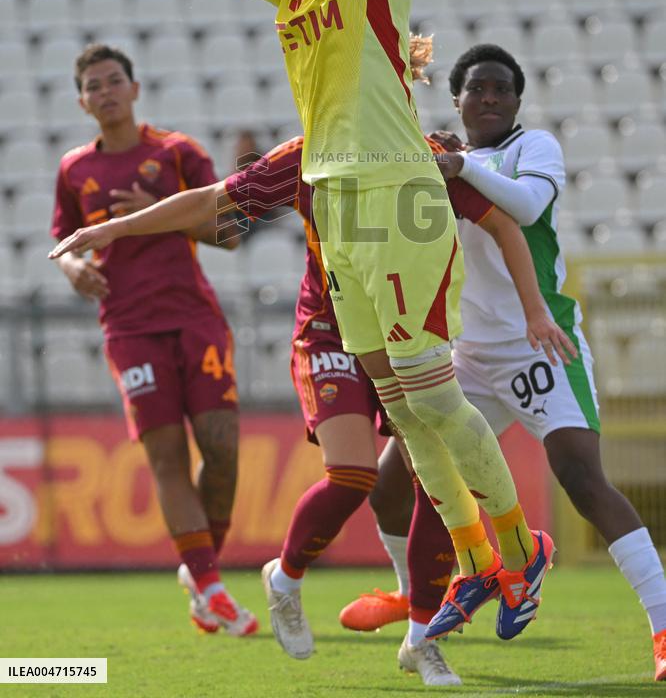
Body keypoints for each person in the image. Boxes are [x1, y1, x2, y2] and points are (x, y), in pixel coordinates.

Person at [94, 0, 558, 651]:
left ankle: (520, 547)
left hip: (395, 192)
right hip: (334, 202)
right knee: (404, 397)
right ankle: (476, 559)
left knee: (429, 393)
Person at [49, 41, 574, 683]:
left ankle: (425, 631)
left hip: (406, 328)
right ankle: (294, 575)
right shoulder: (307, 155)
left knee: (429, 462)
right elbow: (215, 202)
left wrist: (535, 310)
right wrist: (115, 229)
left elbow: (503, 222)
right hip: (332, 328)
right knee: (357, 473)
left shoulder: (429, 152)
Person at [344, 43, 666, 683]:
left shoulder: (533, 148)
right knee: (389, 482)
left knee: (581, 477)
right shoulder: (431, 160)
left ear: (517, 100)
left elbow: (525, 210)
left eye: (501, 90)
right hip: (463, 352)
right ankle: (421, 594)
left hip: (538, 341)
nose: (489, 99)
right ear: (457, 99)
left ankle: (662, 626)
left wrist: (458, 164)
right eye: (476, 90)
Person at [50, 43, 257, 638]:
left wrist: (159, 211)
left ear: (135, 89)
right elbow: (64, 239)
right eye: (94, 85)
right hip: (128, 327)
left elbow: (231, 232)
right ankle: (212, 584)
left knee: (221, 449)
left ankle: (200, 574)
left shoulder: (178, 152)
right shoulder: (73, 170)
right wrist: (73, 271)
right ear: (82, 101)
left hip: (195, 319)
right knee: (166, 456)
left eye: (115, 80)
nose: (106, 91)